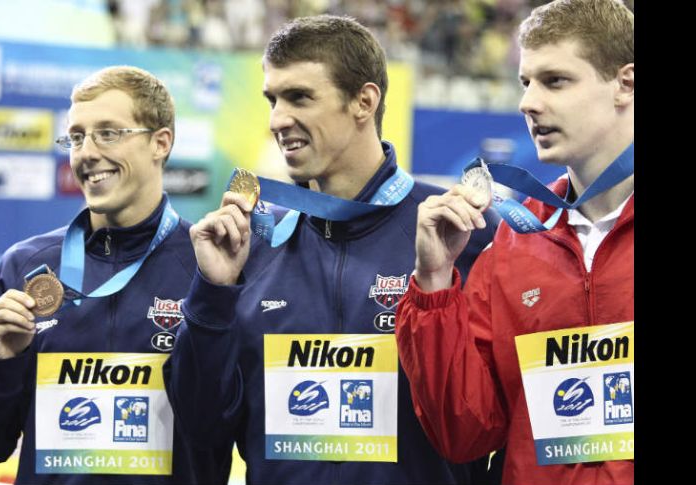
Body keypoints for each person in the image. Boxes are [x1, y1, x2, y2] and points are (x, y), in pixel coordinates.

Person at [164, 15, 498, 485]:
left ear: (364, 101)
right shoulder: (251, 245)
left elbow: (496, 427)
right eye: (272, 99)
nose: (278, 119)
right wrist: (211, 296)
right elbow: (203, 427)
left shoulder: (460, 232)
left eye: (299, 97)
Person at [394, 1, 634, 484]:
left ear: (625, 84)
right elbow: (464, 434)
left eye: (555, 81)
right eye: (525, 83)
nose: (528, 102)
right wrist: (436, 284)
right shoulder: (515, 243)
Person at [0, 66, 231, 485]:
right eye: (77, 137)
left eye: (109, 133)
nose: (86, 153)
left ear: (161, 142)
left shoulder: (210, 268)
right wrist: (0, 366)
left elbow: (223, 428)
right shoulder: (24, 267)